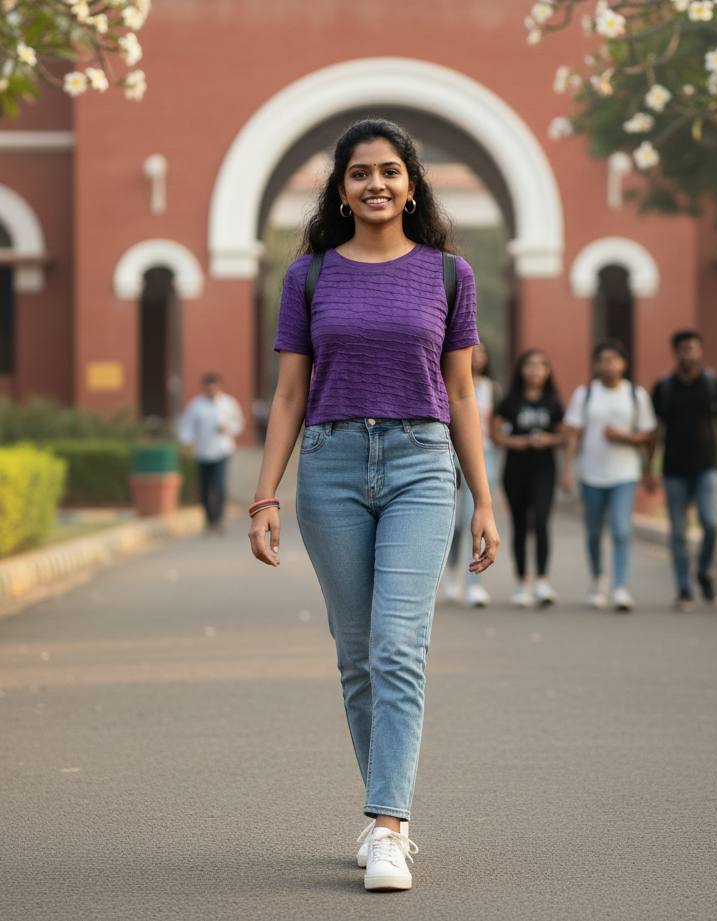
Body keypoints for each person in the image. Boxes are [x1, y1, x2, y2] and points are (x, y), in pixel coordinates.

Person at [248, 119, 499, 892]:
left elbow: (460, 392)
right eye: (359, 173)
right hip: (329, 468)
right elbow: (290, 391)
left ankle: (388, 825)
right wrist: (265, 493)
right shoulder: (309, 277)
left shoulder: (449, 275)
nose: (376, 184)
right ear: (340, 188)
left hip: (422, 466)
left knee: (398, 646)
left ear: (412, 185)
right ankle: (382, 814)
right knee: (357, 658)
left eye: (390, 171)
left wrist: (483, 502)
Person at [646, 329, 717, 611]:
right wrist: (650, 469)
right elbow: (655, 431)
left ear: (700, 351)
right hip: (674, 469)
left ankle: (703, 571)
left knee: (711, 523)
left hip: (707, 467)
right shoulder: (665, 387)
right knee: (677, 532)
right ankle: (684, 588)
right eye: (683, 348)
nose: (688, 353)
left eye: (693, 348)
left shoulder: (712, 384)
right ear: (674, 352)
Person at [562, 339, 656, 612]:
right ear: (595, 364)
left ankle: (620, 588)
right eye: (602, 359)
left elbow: (649, 435)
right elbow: (573, 433)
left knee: (621, 529)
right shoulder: (586, 394)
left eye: (613, 359)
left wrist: (624, 438)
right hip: (591, 473)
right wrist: (567, 469)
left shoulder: (635, 395)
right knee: (593, 532)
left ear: (624, 364)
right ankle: (597, 580)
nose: (607, 364)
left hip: (625, 473)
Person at [493, 349, 565, 607]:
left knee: (542, 522)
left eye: (541, 365)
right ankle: (522, 583)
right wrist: (519, 442)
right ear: (521, 370)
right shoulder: (510, 401)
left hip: (544, 470)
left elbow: (563, 435)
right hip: (515, 471)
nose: (535, 369)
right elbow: (496, 434)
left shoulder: (552, 402)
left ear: (547, 371)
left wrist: (548, 439)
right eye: (529, 364)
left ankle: (542, 582)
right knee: (520, 526)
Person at [442, 341, 501, 607]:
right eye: (472, 353)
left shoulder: (493, 389)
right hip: (450, 455)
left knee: (474, 519)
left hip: (484, 457)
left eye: (481, 354)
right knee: (454, 524)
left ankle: (475, 584)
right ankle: (452, 571)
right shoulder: (444, 381)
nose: (477, 358)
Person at [178, 373, 245, 533]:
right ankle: (209, 519)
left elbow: (239, 425)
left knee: (219, 484)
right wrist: (186, 444)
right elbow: (187, 426)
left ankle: (219, 518)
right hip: (202, 452)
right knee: (204, 486)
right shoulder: (196, 405)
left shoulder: (228, 403)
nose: (211, 391)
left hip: (222, 450)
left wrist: (227, 427)